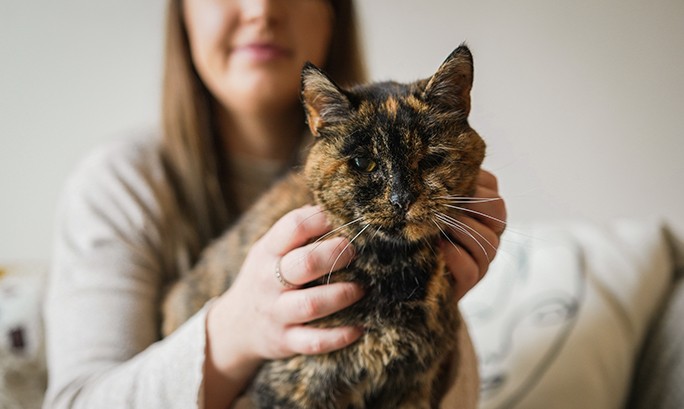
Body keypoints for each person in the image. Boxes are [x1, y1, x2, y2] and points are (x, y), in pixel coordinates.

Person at [43, 0, 507, 408]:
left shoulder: (411, 150)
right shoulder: (120, 184)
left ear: (334, 10)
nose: (261, 10)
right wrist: (234, 331)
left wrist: (440, 309)